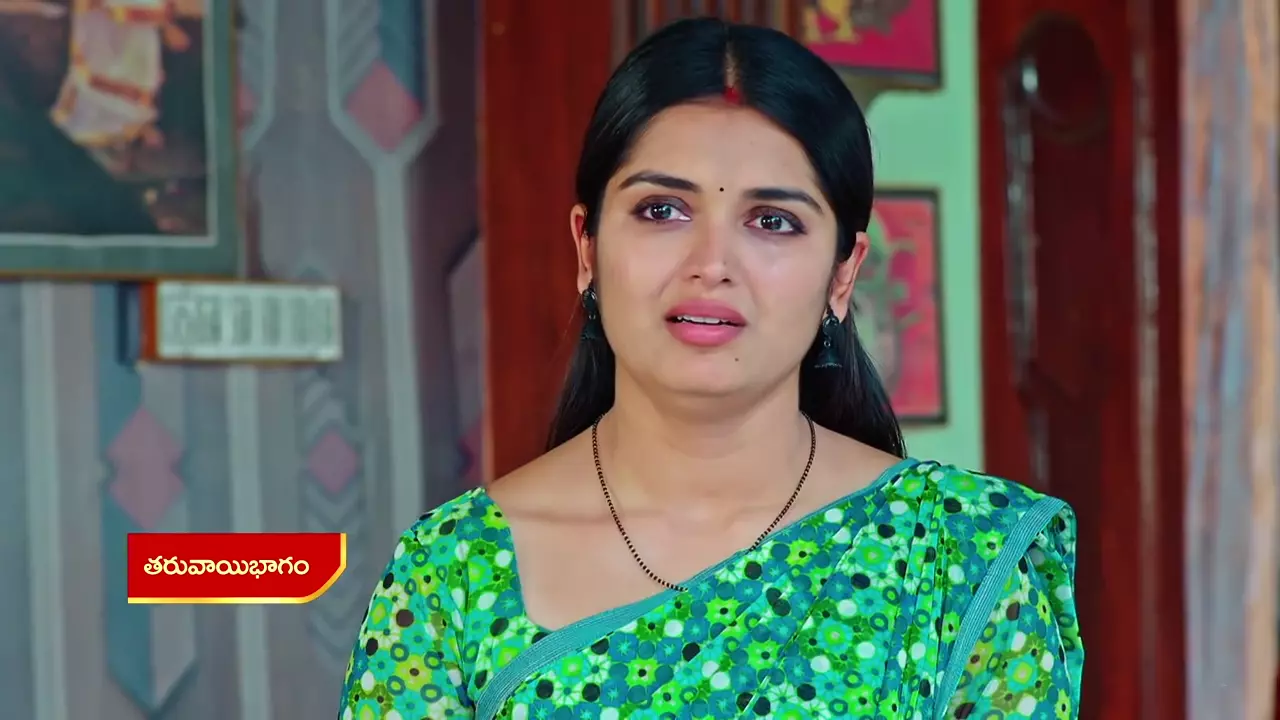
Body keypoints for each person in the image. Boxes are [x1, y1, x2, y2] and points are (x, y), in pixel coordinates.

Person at [339, 17, 1082, 720]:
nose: (712, 264)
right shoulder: (452, 573)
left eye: (773, 221)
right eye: (662, 210)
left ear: (842, 274)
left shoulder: (962, 556)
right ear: (587, 248)